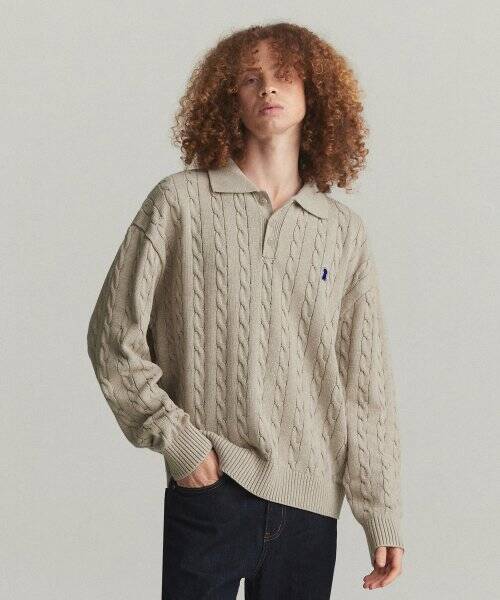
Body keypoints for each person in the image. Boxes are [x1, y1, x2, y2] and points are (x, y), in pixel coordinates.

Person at [86, 22, 405, 598]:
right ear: (227, 96)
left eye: (285, 76)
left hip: (311, 507)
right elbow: (114, 336)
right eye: (250, 79)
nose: (269, 89)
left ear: (314, 95)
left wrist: (380, 511)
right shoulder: (180, 202)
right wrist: (181, 444)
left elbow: (365, 387)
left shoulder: (342, 233)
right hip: (212, 490)